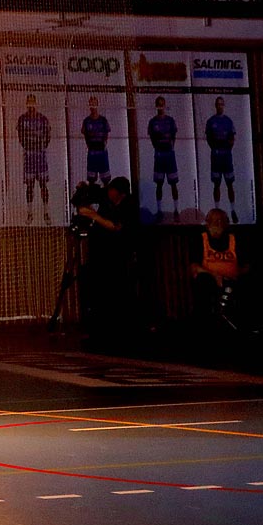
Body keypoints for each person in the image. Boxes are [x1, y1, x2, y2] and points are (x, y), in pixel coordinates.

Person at [77, 177, 140, 347]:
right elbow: (90, 195)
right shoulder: (106, 199)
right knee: (92, 287)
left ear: (121, 194)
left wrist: (93, 215)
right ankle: (95, 327)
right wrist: (83, 190)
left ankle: (117, 330)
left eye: (113, 190)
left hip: (118, 256)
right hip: (99, 254)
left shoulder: (129, 206)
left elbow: (116, 226)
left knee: (115, 291)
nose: (109, 193)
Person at [188, 208, 243, 331]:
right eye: (215, 221)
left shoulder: (234, 239)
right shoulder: (200, 239)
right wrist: (214, 276)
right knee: (204, 282)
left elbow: (246, 265)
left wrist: (238, 274)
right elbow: (194, 267)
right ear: (207, 223)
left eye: (222, 221)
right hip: (210, 279)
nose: (219, 224)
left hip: (233, 279)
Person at [15, 94, 52, 225]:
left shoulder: (43, 119)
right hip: (29, 156)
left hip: (40, 156)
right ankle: (30, 214)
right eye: (28, 102)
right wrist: (28, 147)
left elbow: (48, 135)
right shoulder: (22, 119)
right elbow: (20, 136)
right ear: (26, 103)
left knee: (43, 185)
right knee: (30, 186)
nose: (31, 105)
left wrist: (42, 146)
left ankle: (46, 213)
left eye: (33, 102)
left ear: (36, 103)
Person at [204, 96, 237, 221]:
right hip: (216, 158)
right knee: (217, 184)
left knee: (230, 184)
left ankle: (233, 210)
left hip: (227, 158)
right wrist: (215, 149)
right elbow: (208, 138)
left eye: (221, 104)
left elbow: (232, 138)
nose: (220, 106)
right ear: (215, 105)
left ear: (224, 105)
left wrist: (228, 149)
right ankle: (217, 211)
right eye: (218, 104)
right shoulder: (211, 121)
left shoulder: (229, 121)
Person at [147, 95, 181, 221]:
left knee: (173, 184)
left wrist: (171, 148)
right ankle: (159, 210)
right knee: (159, 184)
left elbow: (174, 136)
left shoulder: (171, 121)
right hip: (159, 156)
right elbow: (152, 138)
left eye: (162, 103)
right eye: (158, 104)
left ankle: (176, 210)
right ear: (156, 106)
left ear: (165, 105)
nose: (161, 106)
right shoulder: (152, 122)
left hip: (170, 156)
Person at [81, 96, 112, 185]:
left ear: (97, 105)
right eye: (91, 104)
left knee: (106, 180)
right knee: (91, 180)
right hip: (92, 152)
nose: (93, 106)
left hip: (102, 152)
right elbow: (84, 134)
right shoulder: (86, 121)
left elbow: (106, 134)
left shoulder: (103, 120)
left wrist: (104, 144)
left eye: (94, 103)